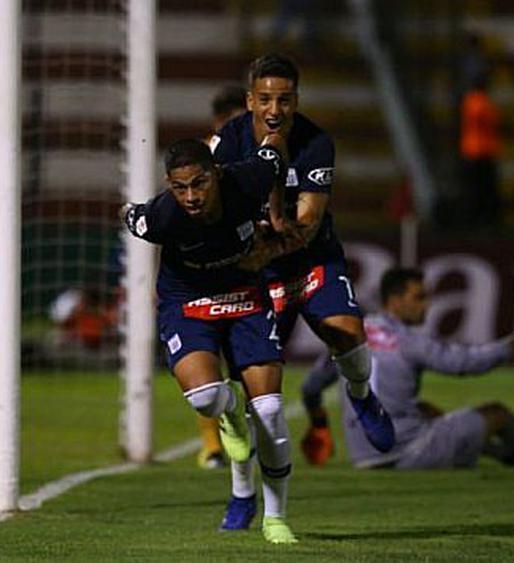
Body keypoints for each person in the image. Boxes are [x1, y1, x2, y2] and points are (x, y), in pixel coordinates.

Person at [210, 52, 395, 527]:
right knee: (258, 399)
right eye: (265, 98)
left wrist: (265, 246)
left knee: (347, 332)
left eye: (285, 99)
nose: (275, 109)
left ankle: (360, 393)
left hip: (309, 261)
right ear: (250, 100)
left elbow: (308, 224)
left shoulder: (316, 143)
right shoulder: (226, 146)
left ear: (296, 101)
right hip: (255, 279)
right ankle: (241, 493)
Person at [121, 137, 299, 544]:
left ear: (216, 173)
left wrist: (274, 213)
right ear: (169, 185)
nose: (191, 196)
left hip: (244, 293)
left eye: (199, 183)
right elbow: (129, 215)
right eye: (180, 187)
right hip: (188, 300)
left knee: (270, 410)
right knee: (206, 398)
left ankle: (274, 517)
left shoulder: (247, 180)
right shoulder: (164, 216)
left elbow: (275, 151)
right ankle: (231, 413)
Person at [301, 267, 514, 471]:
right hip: (403, 451)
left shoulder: (350, 333)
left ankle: (505, 454)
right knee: (497, 414)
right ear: (394, 301)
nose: (427, 305)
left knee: (427, 411)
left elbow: (310, 387)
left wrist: (319, 426)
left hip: (361, 454)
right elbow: (466, 364)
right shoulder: (407, 341)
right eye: (418, 297)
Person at [196, 83, 250, 470]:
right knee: (205, 363)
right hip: (199, 275)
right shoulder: (197, 162)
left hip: (244, 273)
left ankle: (245, 431)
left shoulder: (255, 157)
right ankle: (212, 445)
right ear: (218, 123)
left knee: (243, 361)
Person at [459, 70, 502, 229]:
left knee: (478, 191)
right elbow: (491, 121)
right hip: (480, 153)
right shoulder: (478, 102)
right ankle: (481, 221)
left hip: (475, 151)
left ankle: (479, 219)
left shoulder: (470, 101)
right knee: (481, 192)